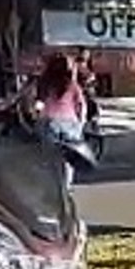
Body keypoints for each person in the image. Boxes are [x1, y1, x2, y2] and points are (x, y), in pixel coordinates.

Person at [35, 53, 87, 184]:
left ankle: (52, 187)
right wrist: (81, 123)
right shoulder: (72, 85)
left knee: (49, 158)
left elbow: (38, 104)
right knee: (69, 160)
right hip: (70, 123)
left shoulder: (45, 84)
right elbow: (81, 106)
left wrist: (38, 116)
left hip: (49, 122)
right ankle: (66, 186)